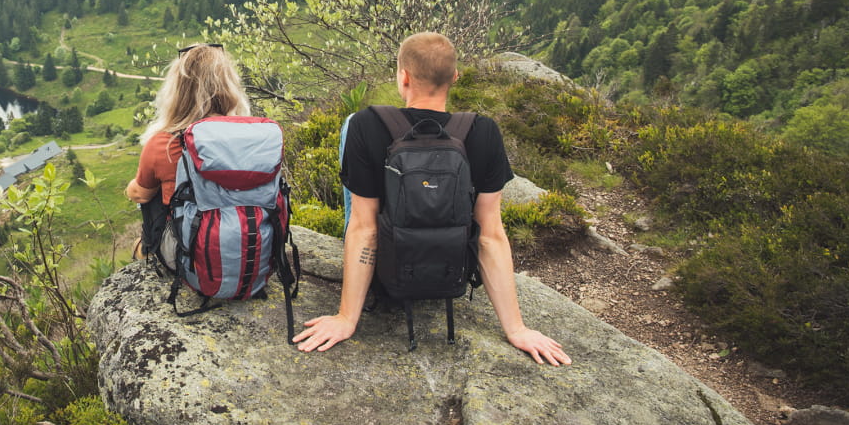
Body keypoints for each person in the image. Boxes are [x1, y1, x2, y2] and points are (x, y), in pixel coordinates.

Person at [293, 32, 571, 365]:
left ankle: (363, 287)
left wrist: (345, 319)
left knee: (351, 125)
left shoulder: (366, 126)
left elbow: (364, 229)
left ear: (404, 76)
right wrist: (517, 329)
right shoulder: (484, 132)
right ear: (454, 77)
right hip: (450, 273)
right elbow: (491, 235)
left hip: (388, 275)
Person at [126, 43, 251, 253]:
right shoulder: (251, 136)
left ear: (178, 92)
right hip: (250, 244)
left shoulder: (164, 144)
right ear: (230, 87)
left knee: (150, 200)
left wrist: (131, 187)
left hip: (191, 254)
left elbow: (139, 194)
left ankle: (149, 251)